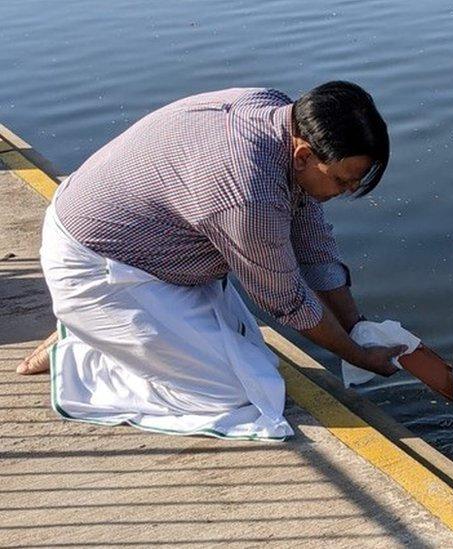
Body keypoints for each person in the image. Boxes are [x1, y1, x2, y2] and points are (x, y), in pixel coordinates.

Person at [17, 82, 407, 440]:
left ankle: (103, 329)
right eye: (342, 181)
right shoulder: (249, 192)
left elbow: (312, 240)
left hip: (154, 255)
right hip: (98, 266)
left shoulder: (278, 115)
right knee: (241, 392)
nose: (349, 191)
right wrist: (359, 357)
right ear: (304, 155)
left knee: (252, 361)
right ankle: (86, 346)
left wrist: (356, 326)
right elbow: (288, 301)